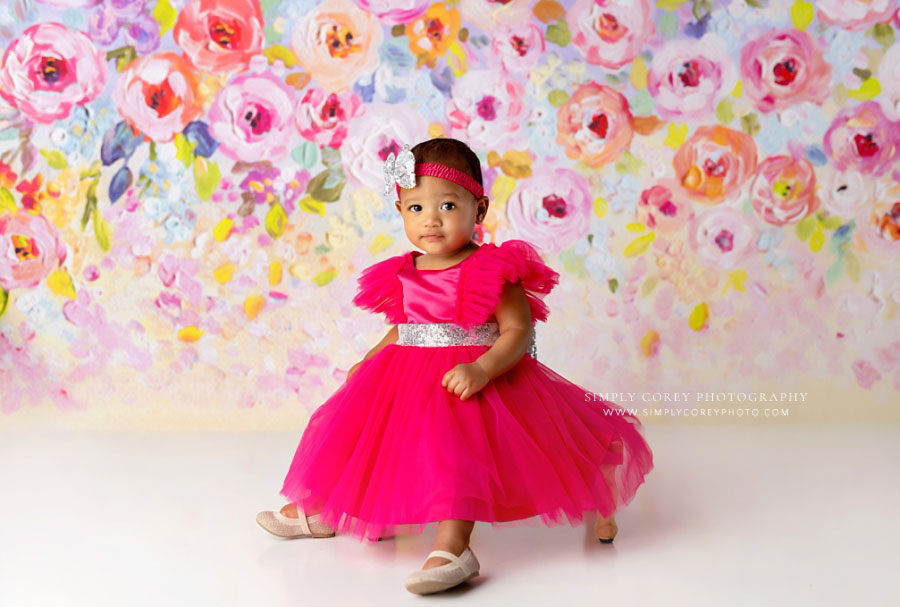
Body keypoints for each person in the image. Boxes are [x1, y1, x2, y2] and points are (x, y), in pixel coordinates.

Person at [256, 137, 654, 595]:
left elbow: (517, 332)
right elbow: (405, 327)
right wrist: (371, 358)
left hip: (472, 372)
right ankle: (330, 508)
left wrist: (483, 369)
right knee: (367, 431)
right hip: (405, 371)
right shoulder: (405, 269)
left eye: (447, 204)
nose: (431, 219)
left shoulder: (491, 268)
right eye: (415, 207)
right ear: (401, 210)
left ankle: (455, 545)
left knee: (455, 444)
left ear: (479, 209)